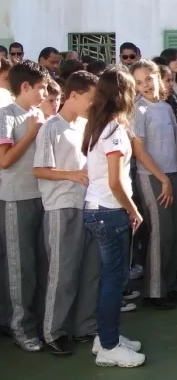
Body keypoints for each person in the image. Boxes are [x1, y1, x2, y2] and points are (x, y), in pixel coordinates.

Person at [81, 67, 145, 367]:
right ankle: (108, 345)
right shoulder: (115, 130)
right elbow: (116, 182)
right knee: (113, 280)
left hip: (97, 211)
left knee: (111, 278)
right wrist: (133, 211)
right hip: (110, 213)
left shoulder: (98, 125)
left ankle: (106, 338)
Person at [34, 71, 99, 356]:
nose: (92, 104)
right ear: (73, 95)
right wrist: (73, 175)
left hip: (86, 205)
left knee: (88, 271)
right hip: (60, 206)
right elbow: (39, 169)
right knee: (62, 274)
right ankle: (53, 332)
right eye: (90, 98)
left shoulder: (85, 126)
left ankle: (84, 325)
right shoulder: (51, 127)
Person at [0, 60, 50, 352]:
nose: (44, 94)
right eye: (41, 89)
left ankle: (25, 321)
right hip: (15, 198)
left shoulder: (36, 114)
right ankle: (21, 327)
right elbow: (4, 161)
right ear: (25, 87)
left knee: (36, 264)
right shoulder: (7, 115)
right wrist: (32, 132)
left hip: (39, 196)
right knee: (20, 265)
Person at [129, 60, 177, 310]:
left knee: (171, 233)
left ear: (158, 77)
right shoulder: (138, 110)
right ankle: (154, 292)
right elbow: (139, 151)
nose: (145, 86)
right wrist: (162, 178)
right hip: (152, 178)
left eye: (148, 78)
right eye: (138, 82)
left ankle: (167, 286)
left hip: (170, 175)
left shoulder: (166, 107)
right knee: (160, 233)